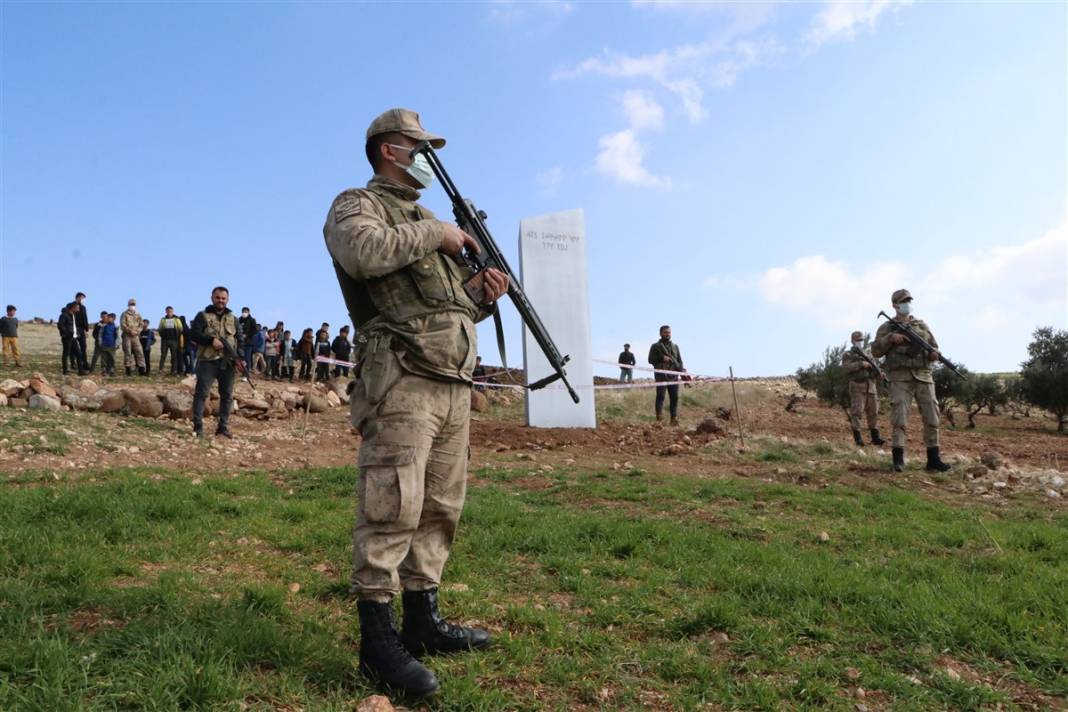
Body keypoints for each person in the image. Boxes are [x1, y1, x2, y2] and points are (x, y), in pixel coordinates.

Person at [322, 108, 509, 697]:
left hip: (452, 385)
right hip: (400, 377)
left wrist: (481, 296)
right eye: (418, 146)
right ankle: (377, 644)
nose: (428, 157)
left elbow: (445, 309)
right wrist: (438, 233)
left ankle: (422, 620)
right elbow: (362, 255)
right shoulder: (359, 205)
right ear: (388, 151)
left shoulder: (423, 220)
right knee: (393, 504)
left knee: (439, 505)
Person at [871, 289, 951, 473]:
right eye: (903, 301)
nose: (907, 303)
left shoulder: (921, 325)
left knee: (932, 417)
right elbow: (875, 351)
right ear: (895, 305)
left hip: (923, 376)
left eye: (908, 300)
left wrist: (933, 354)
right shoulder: (887, 328)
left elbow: (934, 346)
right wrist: (891, 339)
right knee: (900, 418)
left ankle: (933, 460)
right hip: (899, 378)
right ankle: (898, 460)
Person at [190, 286, 238, 439]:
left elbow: (240, 340)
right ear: (212, 298)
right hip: (208, 361)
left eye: (223, 298)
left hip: (228, 362)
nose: (220, 301)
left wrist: (240, 358)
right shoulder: (202, 316)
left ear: (227, 299)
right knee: (201, 394)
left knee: (227, 396)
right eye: (218, 298)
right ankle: (198, 428)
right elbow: (194, 334)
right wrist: (211, 341)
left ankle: (223, 427)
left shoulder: (233, 318)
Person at [842, 331, 885, 447]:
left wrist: (879, 374)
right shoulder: (848, 354)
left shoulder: (869, 354)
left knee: (873, 412)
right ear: (852, 341)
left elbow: (875, 368)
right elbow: (846, 368)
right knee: (857, 412)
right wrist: (860, 364)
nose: (860, 342)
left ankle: (875, 437)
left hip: (871, 386)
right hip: (857, 385)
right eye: (857, 340)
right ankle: (858, 438)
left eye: (861, 340)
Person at [648, 325, 683, 425]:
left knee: (674, 397)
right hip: (661, 375)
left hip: (673, 376)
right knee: (660, 396)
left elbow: (680, 361)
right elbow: (650, 359)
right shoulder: (655, 346)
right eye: (665, 332)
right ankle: (659, 418)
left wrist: (681, 370)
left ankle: (674, 418)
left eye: (669, 332)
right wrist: (661, 358)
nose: (667, 334)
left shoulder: (675, 347)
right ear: (660, 334)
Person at [120, 298, 146, 377]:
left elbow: (141, 324)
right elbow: (123, 324)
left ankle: (141, 370)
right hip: (127, 336)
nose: (132, 306)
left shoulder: (138, 314)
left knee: (139, 352)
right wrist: (129, 331)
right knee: (128, 352)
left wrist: (138, 331)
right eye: (131, 304)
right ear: (128, 305)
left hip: (136, 336)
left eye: (133, 304)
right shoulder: (124, 314)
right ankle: (128, 370)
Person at [58, 302, 86, 375]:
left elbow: (74, 326)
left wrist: (77, 333)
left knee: (78, 354)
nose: (78, 309)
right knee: (66, 354)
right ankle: (65, 370)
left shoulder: (74, 315)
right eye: (77, 307)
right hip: (67, 338)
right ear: (73, 308)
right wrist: (66, 333)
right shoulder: (64, 315)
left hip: (74, 337)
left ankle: (81, 371)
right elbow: (60, 325)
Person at [158, 306, 184, 375]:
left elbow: (180, 329)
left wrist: (176, 337)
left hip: (174, 340)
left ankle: (174, 370)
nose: (169, 312)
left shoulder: (177, 319)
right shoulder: (163, 319)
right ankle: (160, 370)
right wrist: (163, 336)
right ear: (166, 311)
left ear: (173, 311)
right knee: (163, 355)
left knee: (174, 356)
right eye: (168, 311)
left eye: (170, 311)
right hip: (165, 341)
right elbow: (160, 329)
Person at [74, 292, 90, 372]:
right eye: (81, 298)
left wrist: (86, 329)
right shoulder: (71, 306)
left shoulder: (83, 307)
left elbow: (85, 318)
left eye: (83, 298)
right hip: (74, 329)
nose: (82, 299)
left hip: (82, 329)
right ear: (77, 297)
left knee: (83, 347)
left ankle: (85, 364)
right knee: (74, 348)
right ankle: (74, 364)